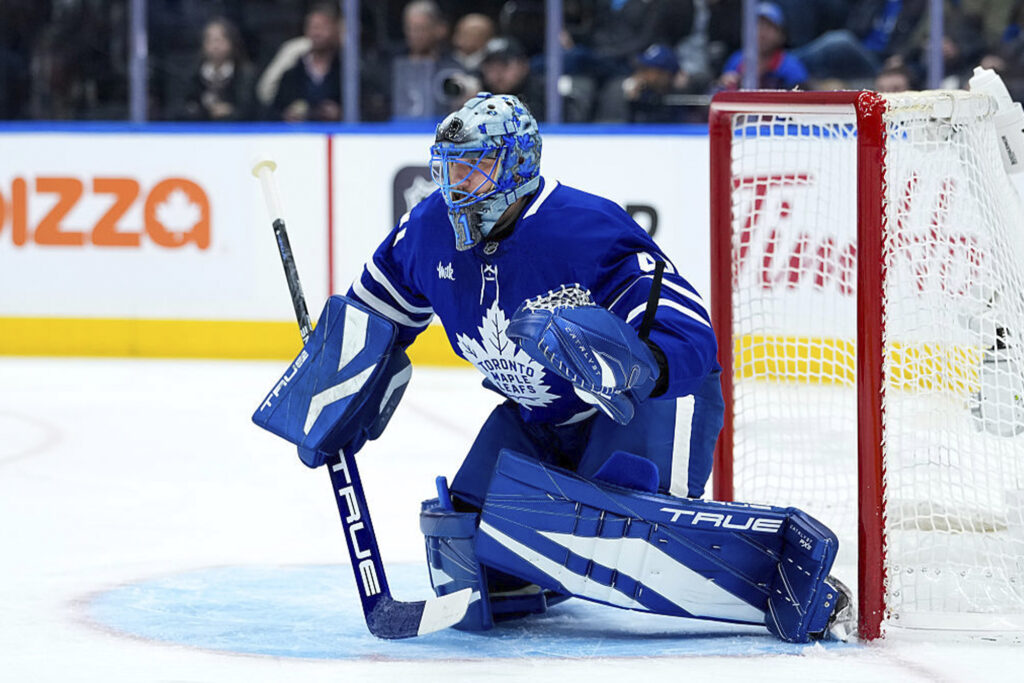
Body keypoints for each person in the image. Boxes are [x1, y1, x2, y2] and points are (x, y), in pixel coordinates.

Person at [255, 93, 851, 643]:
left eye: (474, 168)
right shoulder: (429, 228)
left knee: (616, 532)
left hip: (647, 405)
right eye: (448, 167)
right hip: (543, 417)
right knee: (466, 549)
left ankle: (777, 579)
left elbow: (691, 334)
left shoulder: (583, 228)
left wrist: (634, 364)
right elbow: (373, 316)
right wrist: (333, 387)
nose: (455, 185)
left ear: (516, 166)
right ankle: (546, 564)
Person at [177, 17, 256, 121]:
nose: (215, 46)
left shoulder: (245, 75)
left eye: (220, 40)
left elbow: (252, 110)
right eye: (210, 40)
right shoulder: (192, 75)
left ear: (232, 42)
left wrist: (231, 111)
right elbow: (180, 109)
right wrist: (204, 111)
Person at [717, 2, 807, 91]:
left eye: (769, 28)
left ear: (781, 35)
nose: (762, 34)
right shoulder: (736, 60)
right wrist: (725, 83)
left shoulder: (791, 65)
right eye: (758, 26)